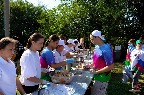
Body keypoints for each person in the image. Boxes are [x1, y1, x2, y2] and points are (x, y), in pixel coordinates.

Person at [89, 30, 114, 95]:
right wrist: (91, 65)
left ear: (98, 37)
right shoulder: (97, 46)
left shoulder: (106, 49)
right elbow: (97, 60)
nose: (91, 41)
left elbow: (111, 66)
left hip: (103, 77)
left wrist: (96, 72)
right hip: (97, 75)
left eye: (92, 39)